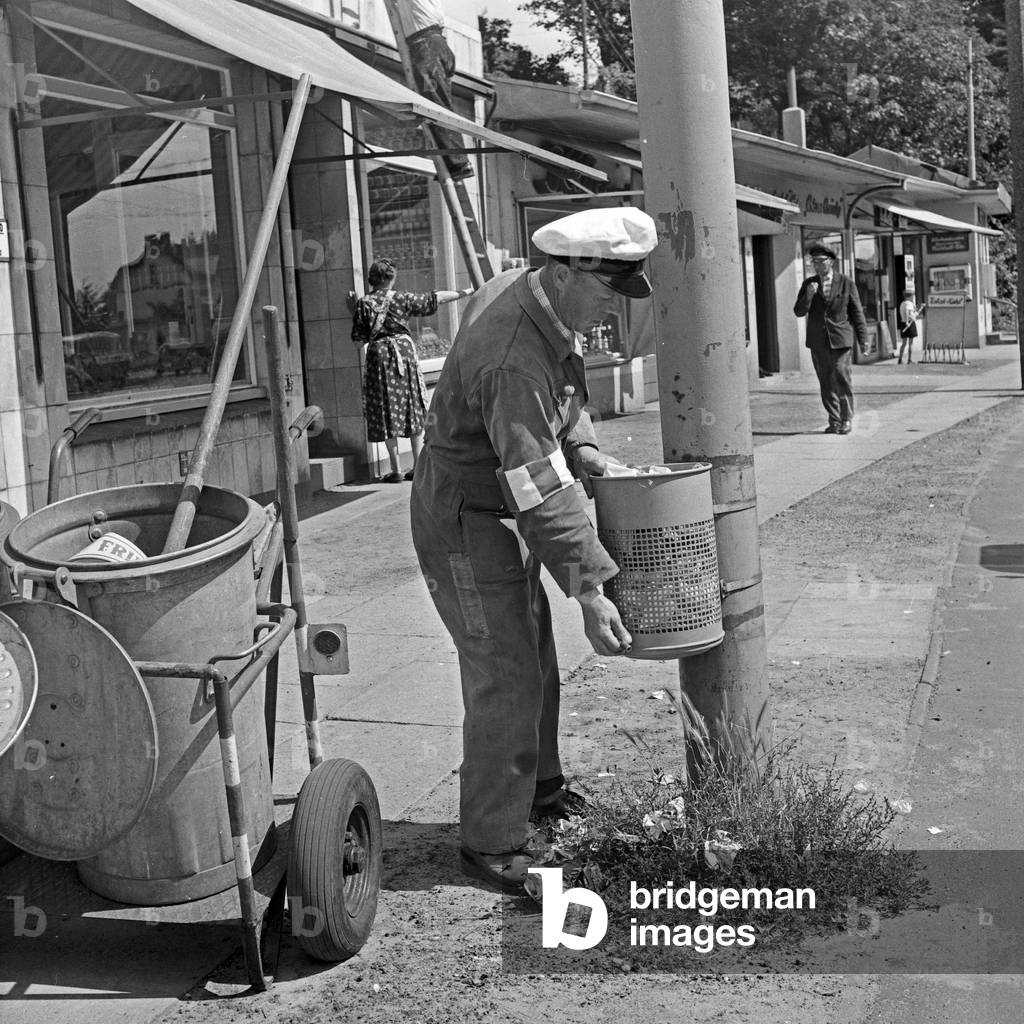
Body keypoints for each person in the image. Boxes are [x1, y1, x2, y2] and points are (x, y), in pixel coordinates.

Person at [409, 206, 657, 893]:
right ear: (569, 268)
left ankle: (540, 790)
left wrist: (587, 451)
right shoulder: (512, 354)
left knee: (534, 653)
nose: (612, 308)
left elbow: (560, 410)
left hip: (495, 505)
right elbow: (539, 486)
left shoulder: (538, 299)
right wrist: (589, 585)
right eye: (608, 288)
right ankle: (492, 840)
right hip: (468, 517)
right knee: (505, 669)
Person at [352, 257, 472, 482]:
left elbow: (359, 343)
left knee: (384, 408)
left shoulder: (364, 304)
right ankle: (417, 464)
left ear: (371, 279)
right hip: (404, 354)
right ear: (392, 277)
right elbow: (434, 299)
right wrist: (466, 292)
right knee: (412, 405)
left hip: (379, 358)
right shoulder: (402, 298)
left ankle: (395, 469)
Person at [793, 243, 870, 435]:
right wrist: (809, 295)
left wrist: (864, 340)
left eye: (821, 261)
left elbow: (857, 313)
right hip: (818, 340)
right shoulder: (809, 283)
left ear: (831, 262)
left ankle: (846, 419)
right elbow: (799, 311)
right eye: (814, 262)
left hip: (840, 338)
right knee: (825, 381)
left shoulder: (845, 282)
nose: (817, 265)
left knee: (841, 376)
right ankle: (834, 420)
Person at [395, 0, 474, 180]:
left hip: (427, 47)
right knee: (437, 104)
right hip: (435, 45)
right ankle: (454, 162)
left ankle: (458, 162)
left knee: (436, 106)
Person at [896, 290, 924, 365]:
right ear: (910, 296)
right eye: (913, 295)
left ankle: (900, 359)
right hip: (909, 324)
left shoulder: (902, 303)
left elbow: (909, 312)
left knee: (904, 343)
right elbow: (908, 312)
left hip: (903, 323)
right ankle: (909, 360)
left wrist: (916, 311)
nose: (913, 297)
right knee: (910, 343)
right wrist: (908, 321)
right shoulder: (909, 303)